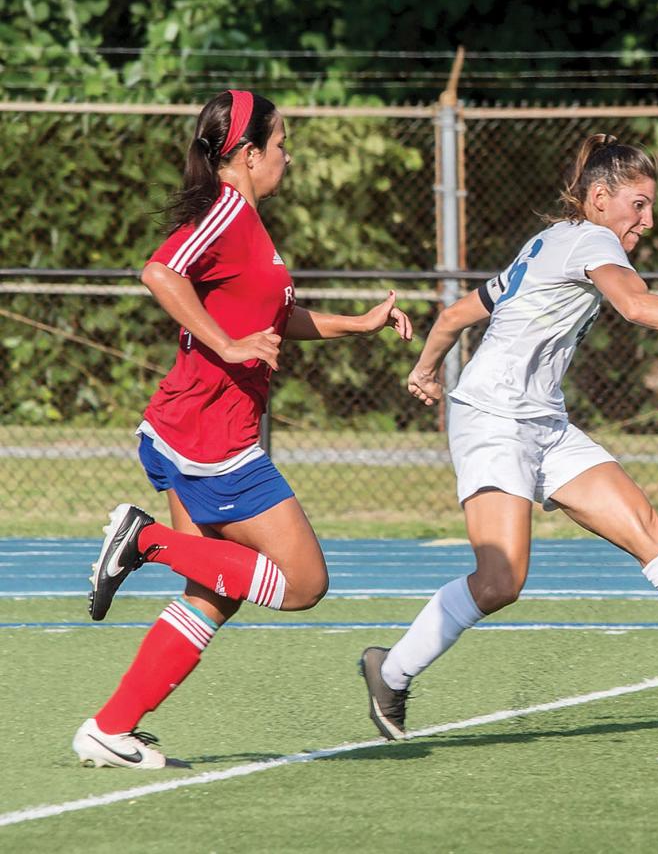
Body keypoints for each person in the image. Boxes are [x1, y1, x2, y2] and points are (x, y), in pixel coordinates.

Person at [358, 133, 658, 740]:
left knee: (647, 529)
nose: (648, 217)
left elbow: (458, 315)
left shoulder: (547, 243)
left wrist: (426, 370)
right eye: (638, 204)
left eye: (650, 204)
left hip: (543, 421)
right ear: (598, 198)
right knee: (499, 581)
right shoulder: (590, 240)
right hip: (493, 419)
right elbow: (636, 307)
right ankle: (392, 670)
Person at [72, 89, 413, 769]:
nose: (288, 155)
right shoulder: (226, 211)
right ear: (248, 155)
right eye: (280, 144)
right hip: (212, 438)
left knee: (216, 594)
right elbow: (159, 271)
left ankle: (109, 728)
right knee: (303, 582)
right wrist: (226, 345)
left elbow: (274, 316)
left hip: (197, 431)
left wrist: (357, 324)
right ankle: (145, 539)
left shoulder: (249, 225)